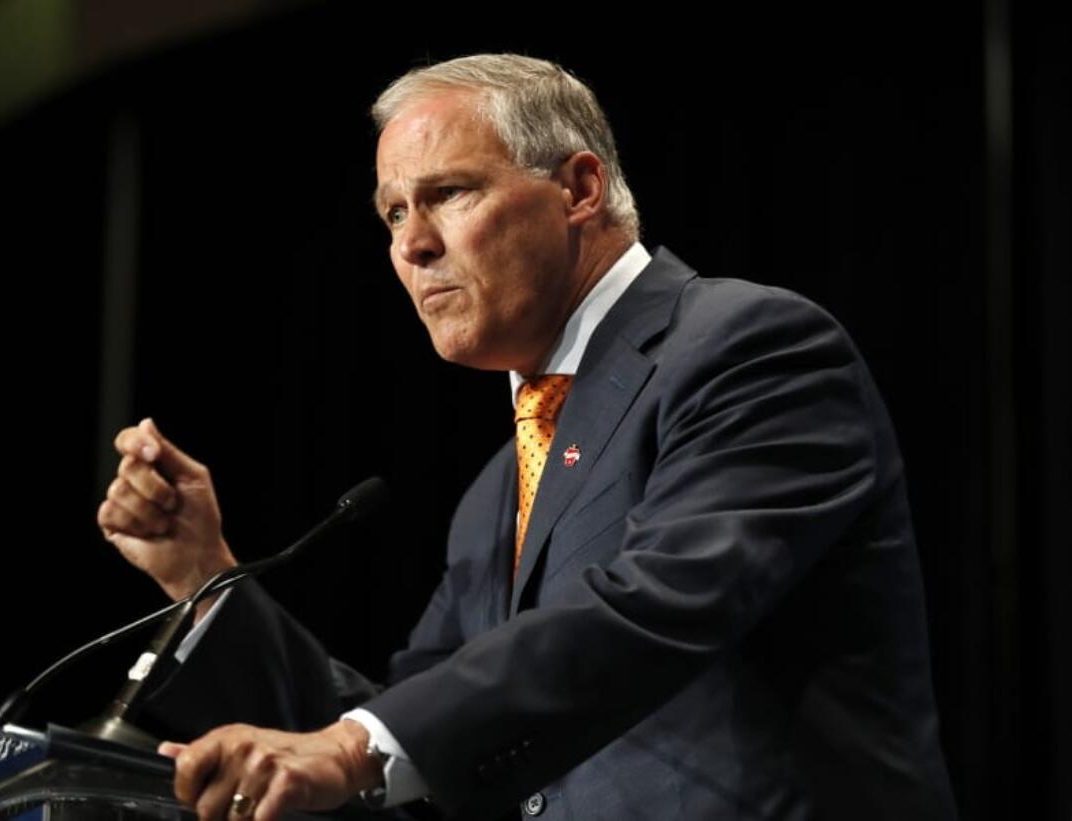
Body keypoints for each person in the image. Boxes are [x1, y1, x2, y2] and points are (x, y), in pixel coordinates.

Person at [97, 55, 958, 821]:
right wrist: (206, 578)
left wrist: (357, 746)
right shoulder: (498, 490)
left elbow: (651, 608)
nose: (413, 244)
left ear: (579, 188)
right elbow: (412, 725)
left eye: (448, 194)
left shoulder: (749, 346)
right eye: (392, 213)